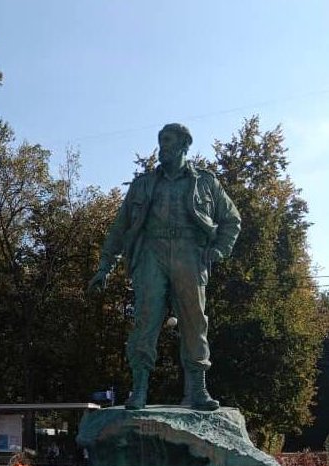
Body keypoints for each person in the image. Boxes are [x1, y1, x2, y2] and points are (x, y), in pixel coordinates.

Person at [88, 123, 241, 410]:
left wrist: (220, 249)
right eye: (160, 141)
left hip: (190, 254)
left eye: (168, 141)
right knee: (145, 319)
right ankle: (140, 390)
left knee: (194, 321)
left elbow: (232, 219)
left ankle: (197, 390)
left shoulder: (205, 182)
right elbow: (120, 229)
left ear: (185, 144)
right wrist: (104, 267)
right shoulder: (143, 184)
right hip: (151, 254)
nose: (162, 147)